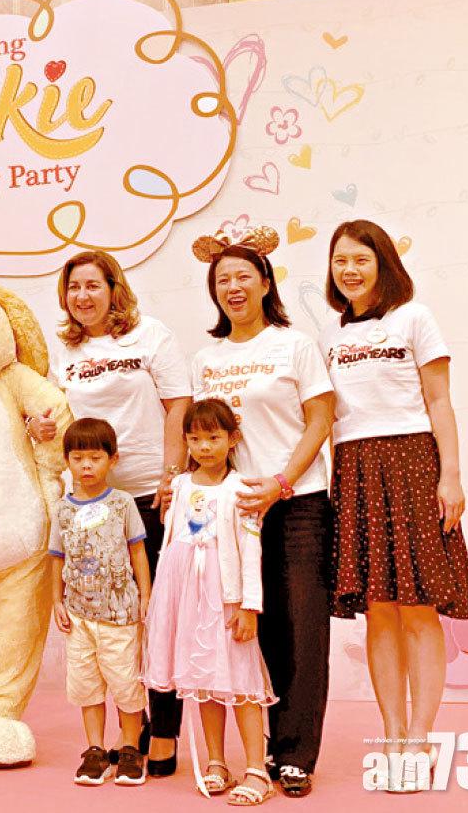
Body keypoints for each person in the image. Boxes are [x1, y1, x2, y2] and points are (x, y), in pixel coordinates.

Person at [321, 220, 468, 792]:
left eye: (361, 259)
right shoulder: (330, 336)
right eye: (340, 260)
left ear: (383, 263)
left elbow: (439, 400)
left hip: (414, 462)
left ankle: (419, 737)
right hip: (356, 468)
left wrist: (450, 476)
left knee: (418, 608)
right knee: (380, 609)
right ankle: (390, 733)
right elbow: (328, 419)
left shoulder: (414, 318)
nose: (350, 270)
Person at [188, 227, 335, 798]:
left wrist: (281, 482)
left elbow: (320, 420)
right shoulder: (206, 358)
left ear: (266, 283)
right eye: (222, 279)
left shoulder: (294, 345)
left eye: (243, 276)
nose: (233, 287)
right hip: (233, 513)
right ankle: (263, 748)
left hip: (297, 503)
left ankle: (295, 754)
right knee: (251, 628)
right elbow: (205, 436)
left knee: (302, 629)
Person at [32, 250, 191, 774]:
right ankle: (124, 732)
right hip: (90, 506)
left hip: (149, 494)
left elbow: (178, 405)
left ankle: (161, 731)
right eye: (73, 288)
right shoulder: (64, 350)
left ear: (113, 289)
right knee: (109, 624)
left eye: (92, 285)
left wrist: (171, 476)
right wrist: (40, 428)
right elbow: (52, 415)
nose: (82, 296)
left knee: (156, 615)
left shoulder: (150, 335)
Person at [146, 398, 277, 806]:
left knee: (241, 682)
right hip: (188, 598)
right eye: (195, 438)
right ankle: (216, 761)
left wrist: (248, 606)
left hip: (225, 599)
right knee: (204, 681)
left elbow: (250, 550)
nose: (204, 446)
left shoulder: (241, 490)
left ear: (232, 439)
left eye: (213, 437)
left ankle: (256, 769)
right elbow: (173, 541)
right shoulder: (180, 486)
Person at [49, 418, 151, 786]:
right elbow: (56, 558)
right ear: (67, 461)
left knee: (126, 682)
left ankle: (130, 749)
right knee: (86, 684)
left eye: (95, 458)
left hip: (120, 614)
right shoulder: (62, 510)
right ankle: (95, 750)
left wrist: (146, 596)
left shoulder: (122, 503)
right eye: (78, 459)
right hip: (79, 616)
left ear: (113, 459)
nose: (87, 466)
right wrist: (57, 601)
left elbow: (137, 551)